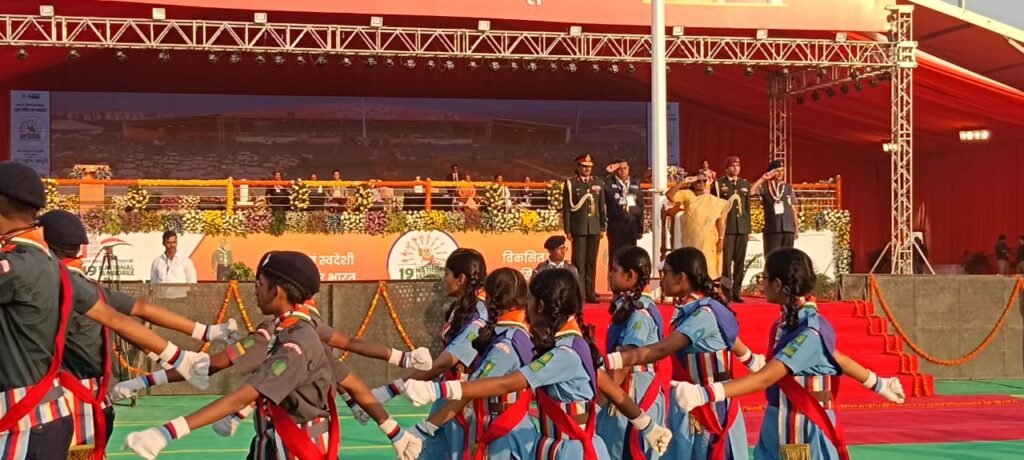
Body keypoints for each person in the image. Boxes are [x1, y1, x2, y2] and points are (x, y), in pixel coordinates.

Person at [0, 162, 210, 459]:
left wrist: (182, 354)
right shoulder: (57, 271)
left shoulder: (17, 267)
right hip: (59, 410)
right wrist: (180, 355)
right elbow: (119, 317)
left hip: (28, 420)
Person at [403, 268, 672, 460]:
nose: (526, 306)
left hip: (570, 449)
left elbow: (507, 383)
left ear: (541, 306)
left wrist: (437, 390)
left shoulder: (564, 352)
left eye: (530, 300)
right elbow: (610, 388)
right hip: (557, 444)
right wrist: (645, 424)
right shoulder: (566, 343)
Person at [672, 248, 907, 460]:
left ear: (777, 284)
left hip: (804, 427)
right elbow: (834, 355)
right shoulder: (786, 323)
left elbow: (766, 377)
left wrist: (704, 394)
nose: (761, 284)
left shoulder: (810, 330)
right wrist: (877, 383)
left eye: (764, 278)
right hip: (777, 420)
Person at [39, 210, 238, 455]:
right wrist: (203, 332)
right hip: (93, 401)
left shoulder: (58, 286)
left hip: (68, 405)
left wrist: (181, 356)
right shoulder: (90, 288)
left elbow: (123, 321)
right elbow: (140, 310)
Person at [124, 251, 341, 460]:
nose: (255, 289)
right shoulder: (281, 329)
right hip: (271, 440)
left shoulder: (297, 342)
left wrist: (167, 432)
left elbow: (245, 393)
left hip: (298, 448)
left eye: (260, 283)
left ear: (277, 292)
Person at [604, 247, 760, 460]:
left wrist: (607, 362)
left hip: (710, 408)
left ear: (681, 278)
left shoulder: (703, 313)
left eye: (665, 273)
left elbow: (662, 349)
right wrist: (750, 359)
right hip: (688, 402)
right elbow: (729, 337)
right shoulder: (694, 309)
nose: (662, 279)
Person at [406, 268, 539, 460]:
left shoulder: (507, 344)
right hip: (502, 423)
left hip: (503, 429)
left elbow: (472, 389)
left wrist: (428, 424)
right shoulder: (514, 334)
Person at [369, 249, 489, 460]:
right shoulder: (459, 308)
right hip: (445, 394)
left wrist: (392, 389)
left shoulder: (479, 315)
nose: (444, 280)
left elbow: (444, 362)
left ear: (460, 279)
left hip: (461, 403)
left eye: (447, 274)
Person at [597, 247, 667, 460]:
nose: (610, 275)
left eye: (614, 270)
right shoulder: (630, 307)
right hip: (626, 393)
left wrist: (598, 403)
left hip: (633, 396)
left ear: (630, 275)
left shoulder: (640, 314)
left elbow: (626, 359)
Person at [665, 173, 730, 278]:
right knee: (692, 265)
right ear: (693, 182)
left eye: (704, 181)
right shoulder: (687, 194)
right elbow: (669, 195)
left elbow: (720, 219)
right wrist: (684, 182)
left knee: (708, 266)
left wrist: (721, 239)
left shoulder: (712, 200)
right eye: (699, 181)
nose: (702, 183)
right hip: (692, 239)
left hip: (709, 239)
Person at [563, 154, 607, 303]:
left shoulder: (597, 183)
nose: (587, 169)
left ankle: (590, 292)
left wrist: (602, 226)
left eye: (589, 167)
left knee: (591, 263)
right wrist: (568, 229)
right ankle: (580, 293)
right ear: (578, 167)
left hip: (594, 227)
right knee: (579, 263)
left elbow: (601, 207)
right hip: (579, 227)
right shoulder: (571, 184)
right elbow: (567, 208)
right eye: (584, 166)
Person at [713, 156, 752, 302]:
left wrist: (748, 228)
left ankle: (737, 292)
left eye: (738, 165)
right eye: (732, 165)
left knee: (740, 261)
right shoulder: (719, 184)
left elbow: (747, 208)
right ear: (726, 168)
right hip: (727, 227)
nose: (736, 168)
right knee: (726, 262)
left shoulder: (744, 184)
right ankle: (727, 291)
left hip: (741, 227)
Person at [751, 160, 800, 256]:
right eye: (777, 171)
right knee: (772, 257)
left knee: (788, 258)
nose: (780, 173)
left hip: (788, 229)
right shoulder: (764, 187)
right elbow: (751, 191)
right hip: (772, 229)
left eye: (782, 171)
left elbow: (793, 209)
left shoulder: (788, 188)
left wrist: (796, 228)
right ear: (771, 172)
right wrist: (763, 178)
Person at [604, 159, 644, 267]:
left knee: (631, 256)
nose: (623, 171)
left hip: (632, 225)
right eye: (619, 169)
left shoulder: (635, 184)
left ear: (628, 168)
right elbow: (599, 182)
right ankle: (614, 277)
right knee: (615, 255)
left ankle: (630, 277)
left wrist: (640, 228)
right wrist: (607, 171)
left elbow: (641, 207)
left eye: (625, 168)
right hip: (616, 225)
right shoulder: (609, 183)